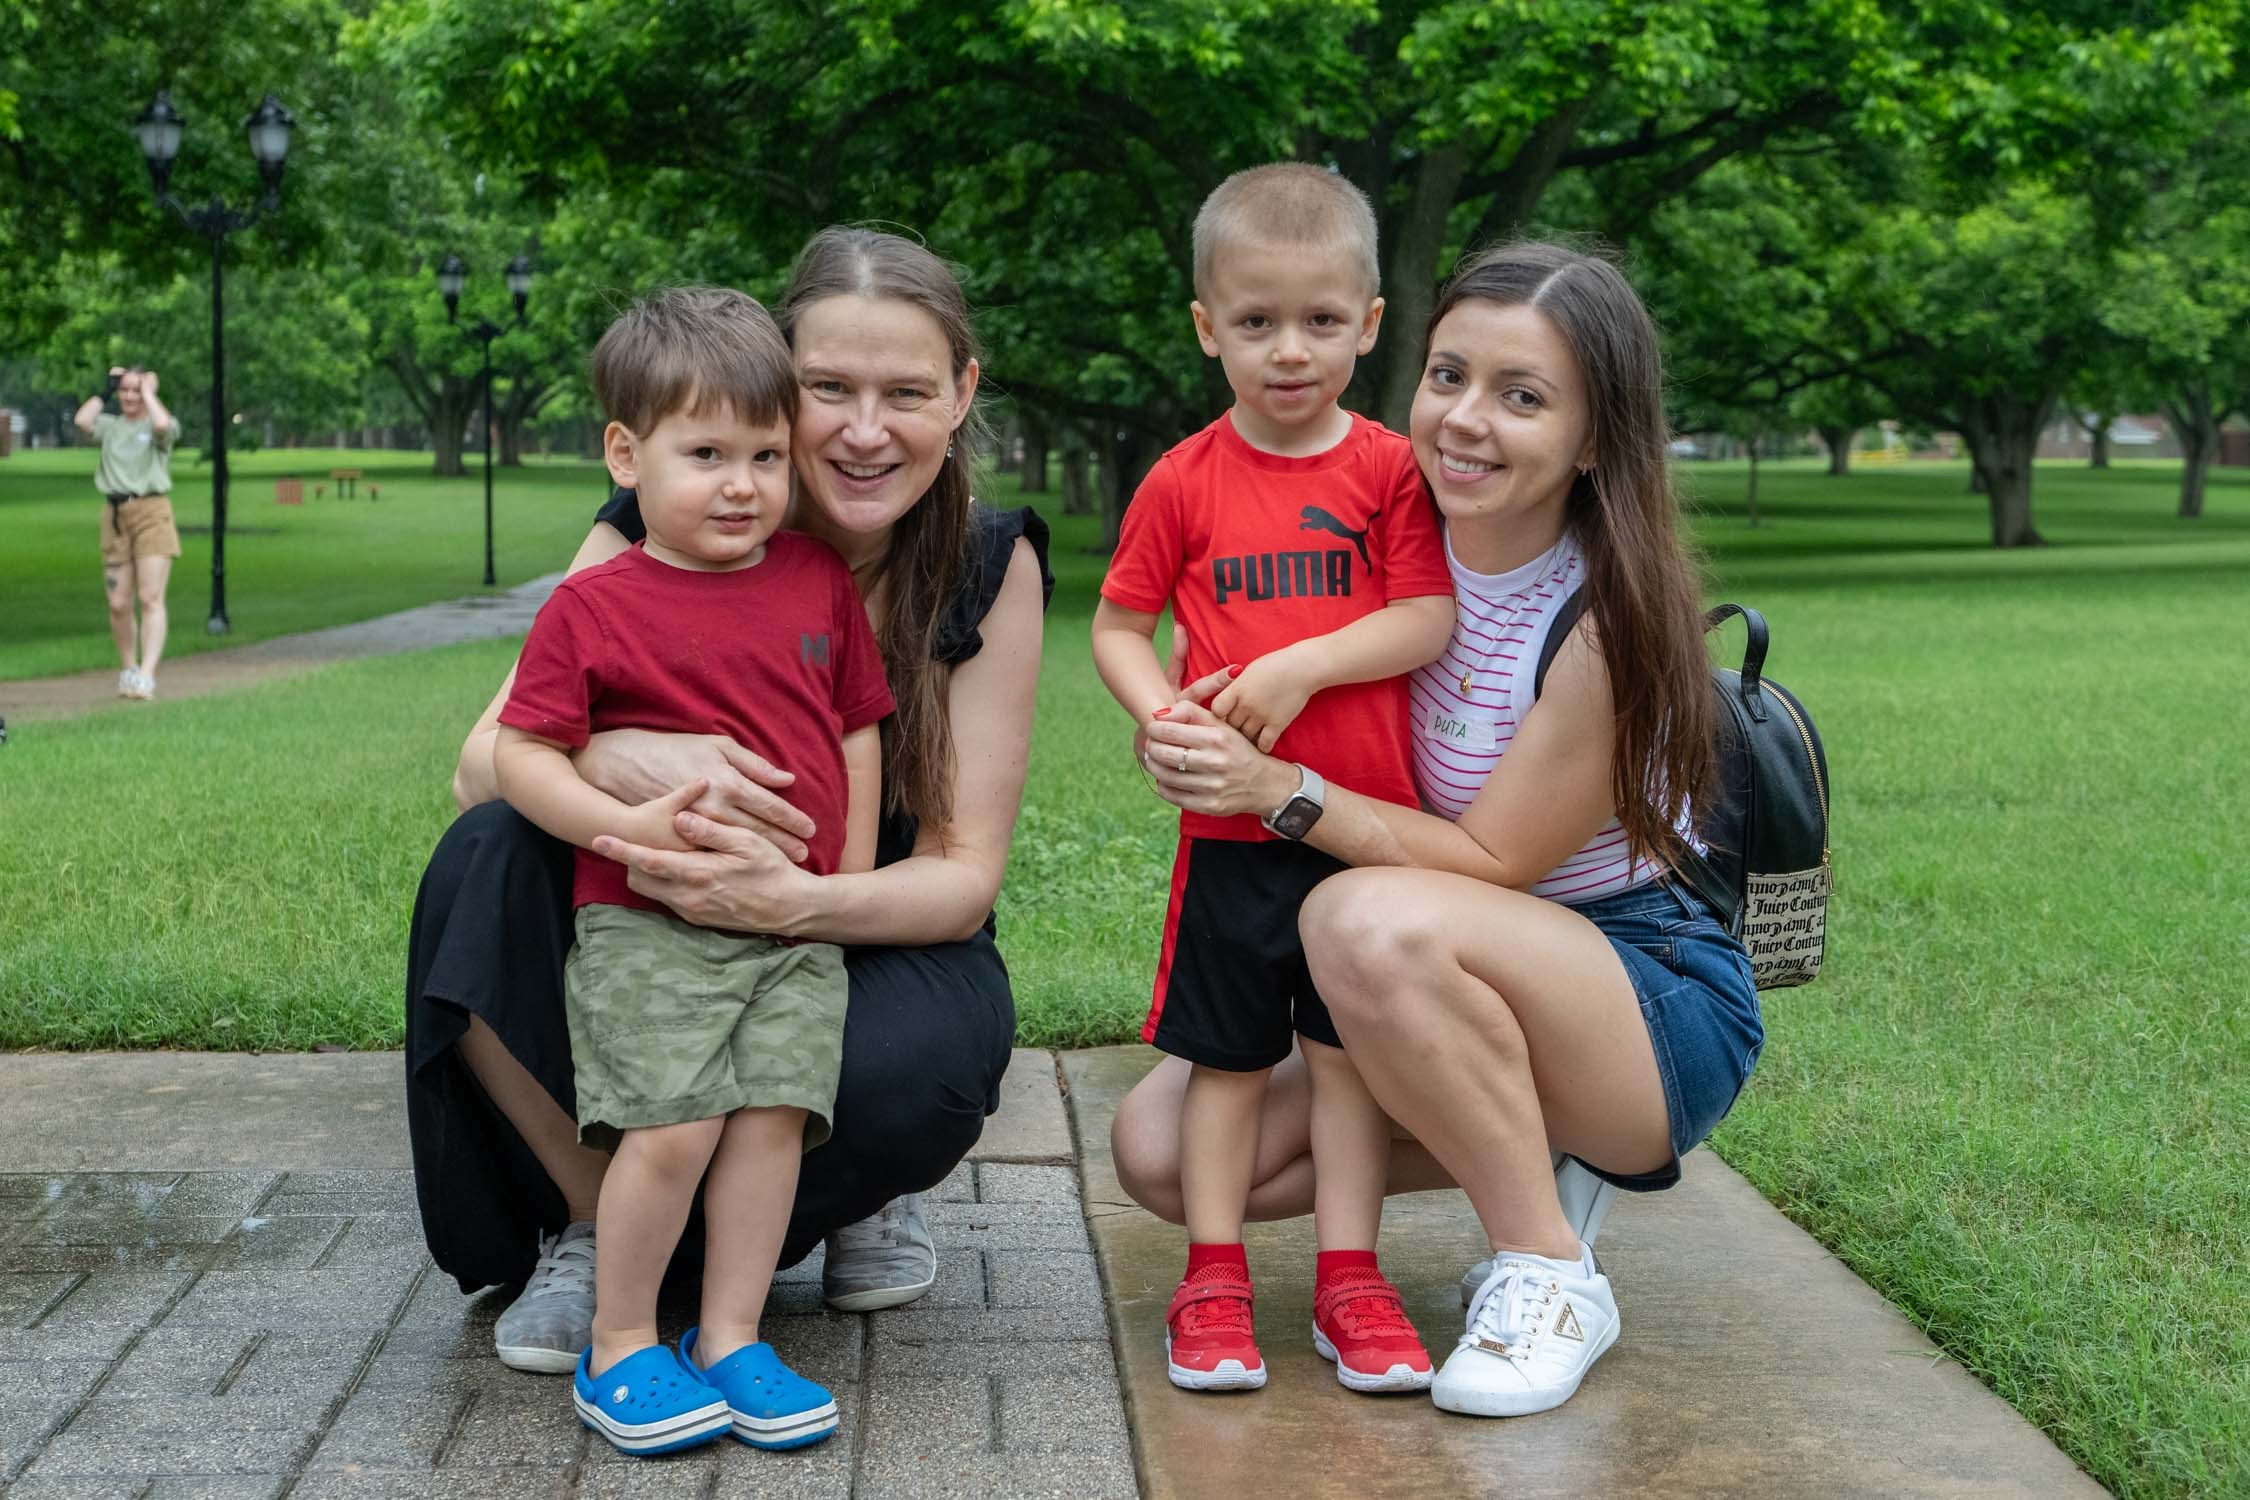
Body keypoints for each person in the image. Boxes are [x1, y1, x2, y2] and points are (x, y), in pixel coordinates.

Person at [1119, 241, 1765, 1419]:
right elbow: (1202, 677)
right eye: (1449, 376)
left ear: (1597, 437)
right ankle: (1521, 1147)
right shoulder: (1360, 546)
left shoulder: (1601, 622)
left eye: (1523, 398)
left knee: (1363, 916)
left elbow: (1493, 866)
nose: (1466, 421)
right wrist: (1190, 738)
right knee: (1160, 1146)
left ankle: (1552, 1276)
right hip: (1431, 982)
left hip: (1637, 991)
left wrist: (1275, 790)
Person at [404, 227, 1053, 1378]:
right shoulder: (657, 518)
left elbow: (961, 876)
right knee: (482, 862)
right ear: (768, 381)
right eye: (826, 391)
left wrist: (793, 901)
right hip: (653, 909)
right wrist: (624, 754)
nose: (862, 430)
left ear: (960, 396)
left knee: (926, 1062)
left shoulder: (986, 565)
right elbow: (482, 763)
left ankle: (839, 1207)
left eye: (904, 392)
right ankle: (601, 1221)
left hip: (862, 924)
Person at [493, 287, 891, 1454]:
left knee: (770, 1124)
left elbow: (856, 724)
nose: (741, 484)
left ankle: (730, 1333)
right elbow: (523, 751)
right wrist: (615, 830)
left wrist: (844, 881)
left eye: (766, 455)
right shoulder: (591, 605)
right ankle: (619, 1341)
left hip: (792, 929)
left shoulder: (815, 579)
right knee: (672, 1128)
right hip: (650, 921)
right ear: (627, 453)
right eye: (706, 453)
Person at [1091, 163, 1455, 1396]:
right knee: (1231, 1063)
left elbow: (1425, 615)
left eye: (1317, 321)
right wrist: (1166, 726)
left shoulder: (1394, 470)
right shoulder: (1185, 478)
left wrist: (1296, 668)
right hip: (1232, 845)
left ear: (1368, 323)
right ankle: (1213, 1274)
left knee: (1350, 1067)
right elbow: (1116, 628)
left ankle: (1352, 1276)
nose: (1286, 350)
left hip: (1357, 837)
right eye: (1254, 322)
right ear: (1206, 328)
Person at [73, 366, 179, 701]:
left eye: (136, 390)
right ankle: (129, 668)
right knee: (119, 602)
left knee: (150, 597)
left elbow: (163, 424)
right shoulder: (111, 427)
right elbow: (81, 421)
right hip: (116, 513)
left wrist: (150, 392)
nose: (130, 397)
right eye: (125, 390)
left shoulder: (159, 424)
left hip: (152, 512)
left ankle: (147, 674)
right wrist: (106, 390)